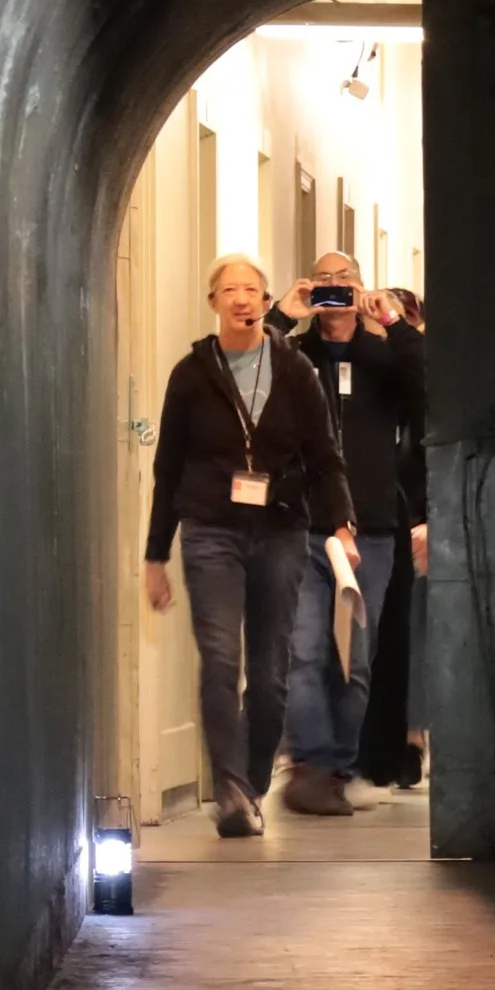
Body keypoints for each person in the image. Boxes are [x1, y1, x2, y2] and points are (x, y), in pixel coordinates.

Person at [144, 255, 356, 838]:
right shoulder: (192, 373)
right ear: (213, 301)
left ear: (267, 302)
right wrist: (155, 556)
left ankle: (254, 780)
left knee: (269, 674)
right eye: (229, 290)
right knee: (220, 658)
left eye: (252, 290)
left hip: (282, 527)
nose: (241, 299)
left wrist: (341, 523)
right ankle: (230, 788)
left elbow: (325, 457)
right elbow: (167, 468)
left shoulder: (295, 371)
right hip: (211, 527)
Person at [269, 255, 426, 814]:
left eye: (346, 281)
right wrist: (281, 318)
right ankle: (310, 763)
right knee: (302, 650)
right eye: (325, 280)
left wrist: (394, 322)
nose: (334, 290)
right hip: (301, 525)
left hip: (373, 526)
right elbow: (244, 378)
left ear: (361, 289)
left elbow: (427, 388)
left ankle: (336, 763)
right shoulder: (292, 355)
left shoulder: (382, 356)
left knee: (356, 659)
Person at [359, 288, 430, 789]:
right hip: (379, 518)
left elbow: (428, 406)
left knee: (414, 636)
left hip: (417, 519)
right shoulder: (368, 373)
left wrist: (433, 517)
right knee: (381, 641)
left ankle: (412, 737)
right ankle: (381, 746)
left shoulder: (415, 373)